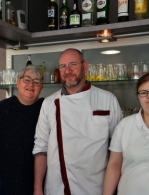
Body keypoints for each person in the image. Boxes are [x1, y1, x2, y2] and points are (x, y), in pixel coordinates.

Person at [33, 48, 123, 195]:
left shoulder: (108, 99)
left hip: (97, 187)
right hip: (58, 187)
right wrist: (37, 189)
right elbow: (40, 147)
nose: (67, 70)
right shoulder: (49, 103)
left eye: (72, 64)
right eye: (62, 66)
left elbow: (118, 148)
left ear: (85, 66)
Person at [0, 65, 44, 195]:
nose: (31, 85)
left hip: (33, 185)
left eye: (36, 82)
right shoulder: (1, 109)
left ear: (41, 87)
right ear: (18, 82)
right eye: (27, 80)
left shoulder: (46, 110)